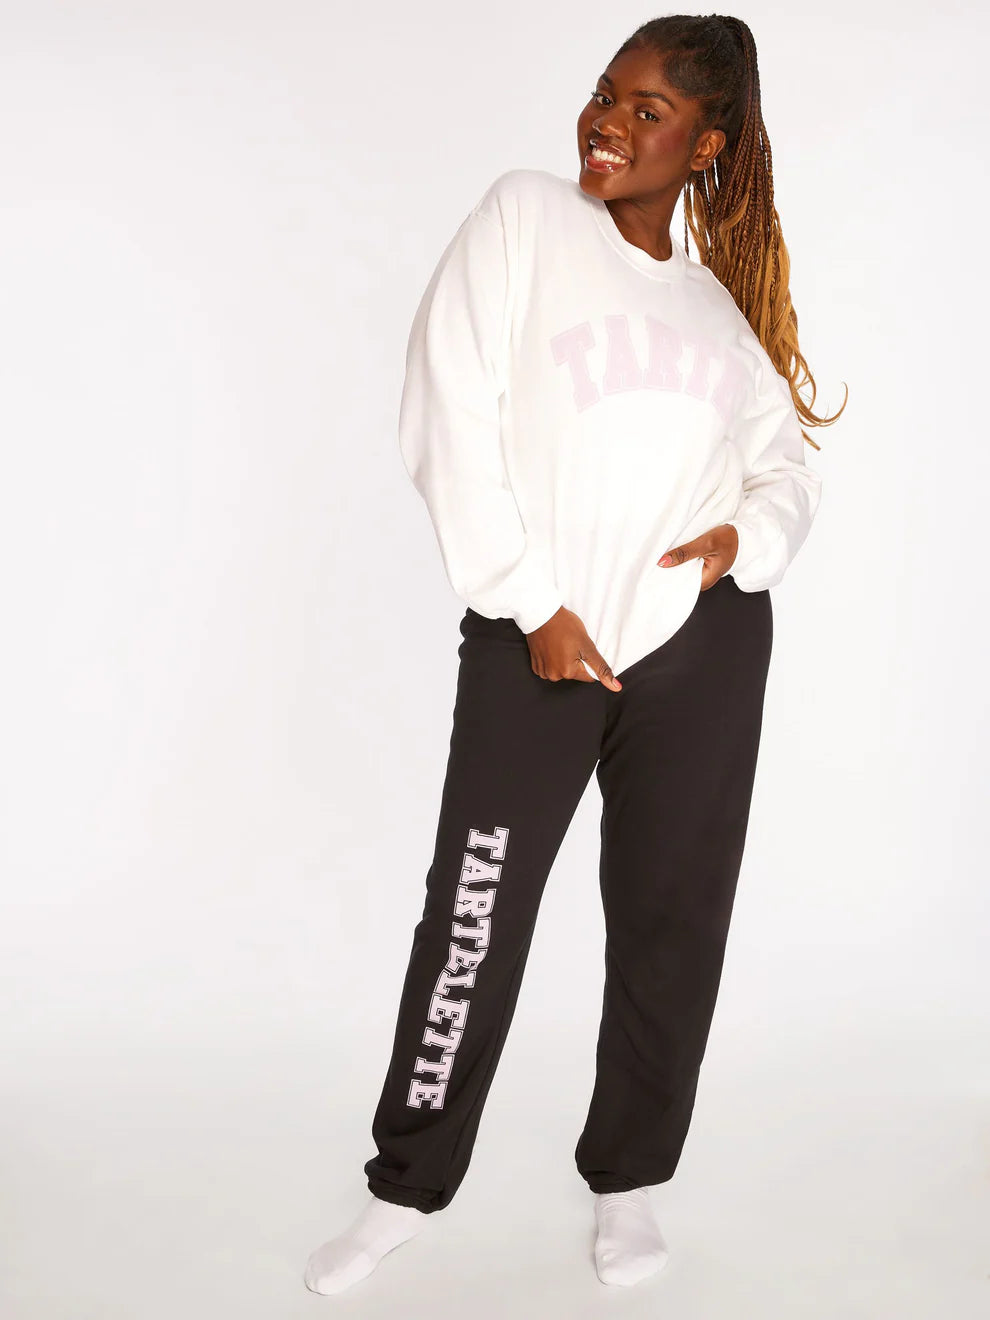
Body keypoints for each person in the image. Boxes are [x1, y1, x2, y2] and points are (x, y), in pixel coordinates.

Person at [305, 12, 843, 1295]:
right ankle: (404, 1185)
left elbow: (787, 469)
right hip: (538, 644)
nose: (608, 122)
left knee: (671, 922)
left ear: (706, 145)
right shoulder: (524, 219)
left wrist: (745, 541)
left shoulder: (715, 312)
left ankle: (630, 1179)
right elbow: (446, 408)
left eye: (649, 110)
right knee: (474, 914)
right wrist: (527, 603)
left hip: (700, 654)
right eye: (606, 93)